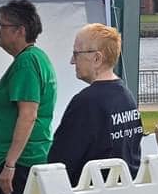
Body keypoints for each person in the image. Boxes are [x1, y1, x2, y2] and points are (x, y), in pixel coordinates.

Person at [0, 0, 56, 194]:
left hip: (21, 163)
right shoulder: (35, 58)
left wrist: (9, 165)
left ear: (20, 31)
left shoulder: (26, 63)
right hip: (26, 158)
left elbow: (28, 115)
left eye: (2, 26)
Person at [48, 24, 142, 185]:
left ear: (97, 58)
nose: (72, 61)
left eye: (76, 54)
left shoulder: (86, 103)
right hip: (124, 191)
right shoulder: (126, 97)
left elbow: (59, 163)